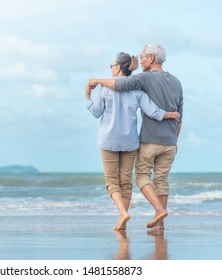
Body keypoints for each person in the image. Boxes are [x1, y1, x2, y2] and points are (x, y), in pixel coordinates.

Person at [88, 44, 183, 231]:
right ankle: (158, 223)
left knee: (125, 179)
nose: (141, 60)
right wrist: (172, 123)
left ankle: (132, 213)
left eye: (143, 57)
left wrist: (93, 87)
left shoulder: (135, 81)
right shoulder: (168, 84)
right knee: (142, 181)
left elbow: (110, 96)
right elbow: (165, 111)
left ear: (152, 58)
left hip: (128, 140)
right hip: (150, 142)